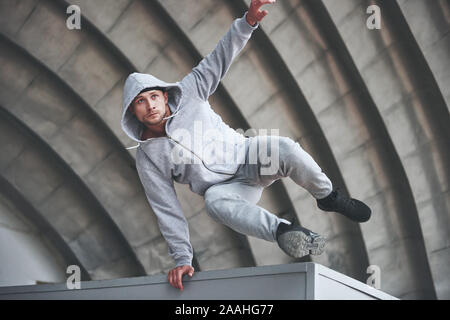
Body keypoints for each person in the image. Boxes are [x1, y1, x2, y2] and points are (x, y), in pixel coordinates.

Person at [120, 0, 371, 291]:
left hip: (248, 156)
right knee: (214, 204)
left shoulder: (190, 91)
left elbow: (219, 57)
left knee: (284, 148)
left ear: (164, 96)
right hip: (226, 189)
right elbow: (166, 207)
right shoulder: (148, 157)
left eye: (153, 96)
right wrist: (182, 258)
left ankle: (328, 196)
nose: (149, 105)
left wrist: (248, 22)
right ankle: (284, 232)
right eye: (141, 102)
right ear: (132, 111)